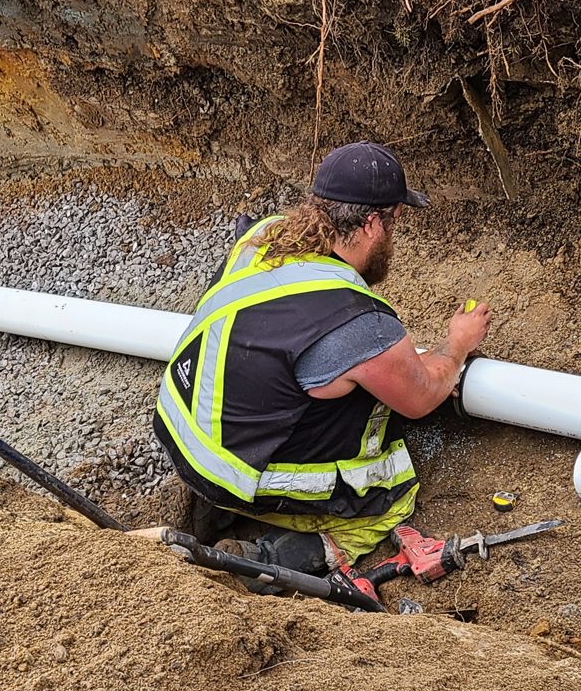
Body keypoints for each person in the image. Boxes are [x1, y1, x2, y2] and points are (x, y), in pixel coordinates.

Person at [152, 141, 491, 578]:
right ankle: (265, 560)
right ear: (372, 224)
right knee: (390, 498)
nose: (393, 235)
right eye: (395, 222)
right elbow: (421, 396)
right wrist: (457, 345)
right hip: (233, 477)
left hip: (184, 438)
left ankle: (215, 510)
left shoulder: (262, 237)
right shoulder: (355, 319)